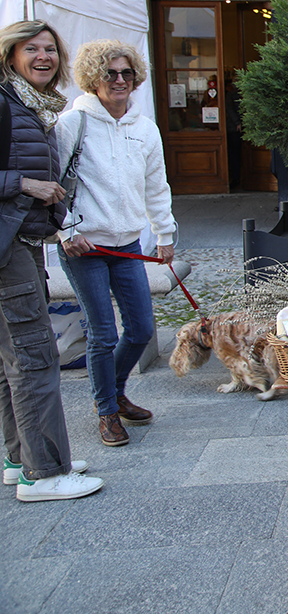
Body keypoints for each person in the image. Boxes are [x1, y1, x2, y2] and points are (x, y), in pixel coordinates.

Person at [57, 40, 176, 448]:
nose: (121, 80)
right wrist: (67, 231)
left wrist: (165, 234)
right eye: (111, 73)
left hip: (126, 243)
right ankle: (106, 410)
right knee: (103, 333)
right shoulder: (73, 123)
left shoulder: (144, 128)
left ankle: (116, 390)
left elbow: (155, 185)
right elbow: (56, 184)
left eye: (127, 73)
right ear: (93, 78)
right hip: (85, 247)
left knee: (142, 328)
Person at [0, 20, 100, 501]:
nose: (44, 57)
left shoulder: (29, 107)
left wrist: (59, 215)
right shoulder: (5, 102)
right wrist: (25, 185)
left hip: (22, 241)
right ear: (10, 55)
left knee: (10, 359)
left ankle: (21, 458)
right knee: (34, 356)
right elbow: (26, 180)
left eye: (51, 50)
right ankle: (46, 473)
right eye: (31, 49)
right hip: (8, 248)